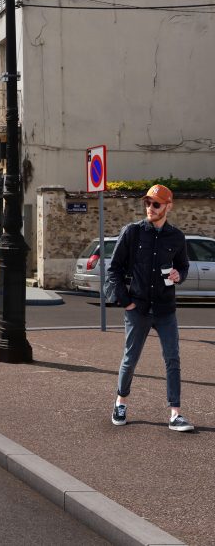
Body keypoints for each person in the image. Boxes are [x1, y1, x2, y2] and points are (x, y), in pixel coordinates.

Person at [106, 184, 194, 432]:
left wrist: (179, 275)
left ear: (168, 206)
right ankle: (120, 403)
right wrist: (127, 301)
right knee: (130, 359)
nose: (150, 208)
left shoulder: (176, 237)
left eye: (156, 204)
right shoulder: (132, 232)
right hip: (138, 309)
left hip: (166, 309)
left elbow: (183, 267)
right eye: (147, 203)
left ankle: (175, 413)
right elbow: (114, 270)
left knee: (173, 359)